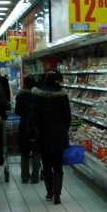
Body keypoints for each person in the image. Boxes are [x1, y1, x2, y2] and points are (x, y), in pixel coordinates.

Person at [31, 70, 71, 204]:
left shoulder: (38, 96)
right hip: (59, 133)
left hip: (43, 134)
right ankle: (57, 195)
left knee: (46, 163)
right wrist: (64, 129)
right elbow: (67, 117)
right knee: (58, 164)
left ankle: (49, 191)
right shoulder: (62, 96)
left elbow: (34, 116)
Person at [14, 76, 41, 184]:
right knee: (36, 151)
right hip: (37, 125)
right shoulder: (38, 95)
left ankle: (24, 176)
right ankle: (35, 177)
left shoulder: (20, 96)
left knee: (24, 151)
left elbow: (17, 112)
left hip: (24, 125)